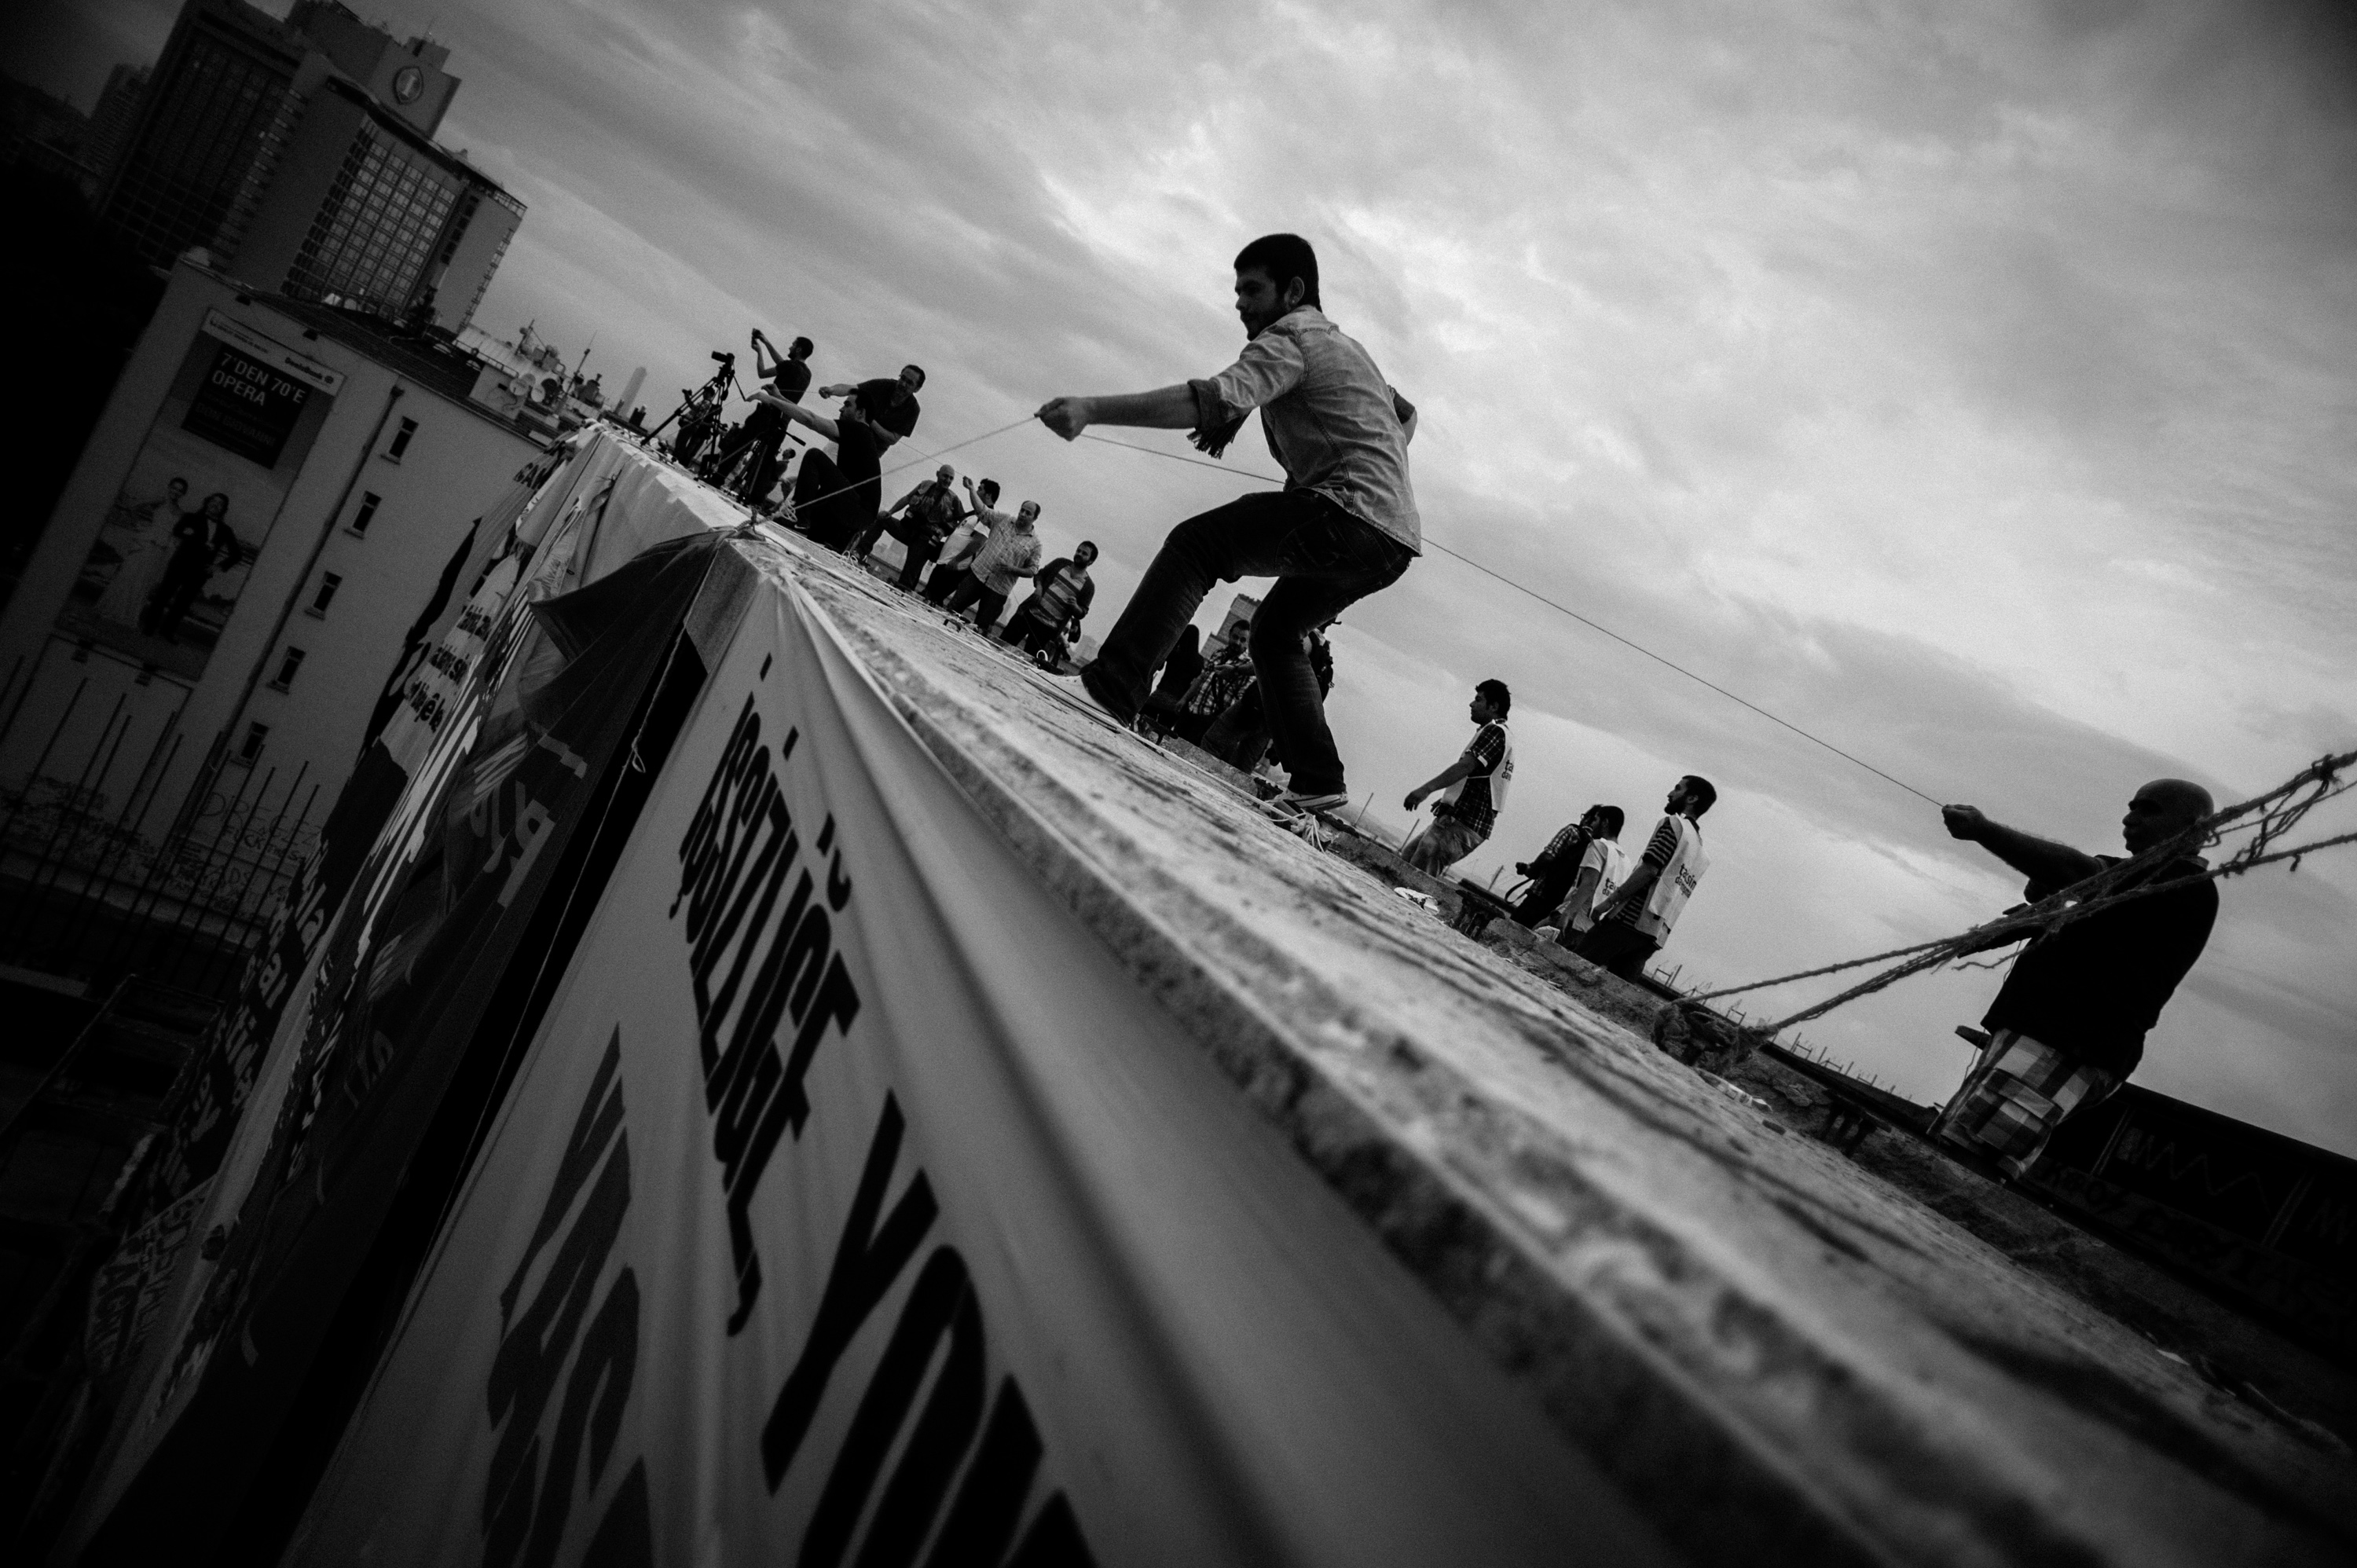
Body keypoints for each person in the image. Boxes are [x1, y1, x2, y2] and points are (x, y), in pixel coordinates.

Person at [1038, 233, 1418, 815]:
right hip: (1391, 542)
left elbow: (1206, 401)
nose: (1239, 302)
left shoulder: (1290, 336)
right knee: (1272, 633)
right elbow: (1404, 414)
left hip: (1348, 515)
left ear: (1292, 290)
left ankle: (1110, 689)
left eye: (1251, 289)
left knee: (1199, 545)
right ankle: (1318, 777)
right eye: (1236, 290)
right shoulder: (1348, 350)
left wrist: (1091, 410)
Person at [1931, 780, 2220, 1180]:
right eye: (2131, 807)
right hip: (2055, 1043)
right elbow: (2069, 888)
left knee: (1964, 1163)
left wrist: (1985, 830)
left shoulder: (2181, 883)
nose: (2129, 818)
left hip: (2062, 1045)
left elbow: (2075, 871)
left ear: (2196, 827)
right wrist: (2033, 912)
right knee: (1958, 1144)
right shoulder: (2142, 879)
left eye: (2148, 809)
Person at [1576, 776, 1714, 980]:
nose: (1670, 794)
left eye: (1677, 789)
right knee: (1617, 990)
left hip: (1629, 921)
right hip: (1653, 934)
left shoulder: (1674, 826)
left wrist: (1609, 903)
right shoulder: (1700, 851)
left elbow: (1649, 870)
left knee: (1576, 966)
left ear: (1692, 798)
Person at [781, 365, 925, 550]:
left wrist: (868, 420)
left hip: (868, 453)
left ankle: (808, 517)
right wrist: (832, 390)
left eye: (909, 382)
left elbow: (892, 438)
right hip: (848, 439)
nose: (903, 384)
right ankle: (795, 512)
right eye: (902, 378)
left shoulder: (912, 410)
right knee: (822, 464)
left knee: (835, 480)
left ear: (916, 389)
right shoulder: (883, 386)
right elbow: (851, 389)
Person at [1402, 680, 1513, 874]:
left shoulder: (1495, 732)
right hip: (1462, 817)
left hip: (1466, 821)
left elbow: (1467, 766)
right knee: (1410, 856)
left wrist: (1426, 789)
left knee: (1422, 862)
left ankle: (1411, 900)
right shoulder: (1500, 734)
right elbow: (1480, 777)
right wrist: (1449, 800)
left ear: (1494, 706)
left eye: (1479, 700)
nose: (1472, 704)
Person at [709, 330, 812, 503]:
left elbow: (767, 371)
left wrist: (763, 346)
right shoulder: (806, 374)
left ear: (799, 350)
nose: (790, 346)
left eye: (793, 345)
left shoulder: (790, 366)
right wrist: (762, 347)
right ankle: (755, 499)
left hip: (766, 413)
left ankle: (718, 478)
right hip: (783, 421)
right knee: (766, 461)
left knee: (739, 445)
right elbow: (773, 368)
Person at [1508, 804, 1626, 930]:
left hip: (1541, 895)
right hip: (1563, 905)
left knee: (1512, 931)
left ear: (1589, 819)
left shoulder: (1575, 834)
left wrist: (1530, 871)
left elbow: (1548, 857)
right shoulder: (1610, 854)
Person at [145, 492, 239, 640]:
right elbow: (178, 532)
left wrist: (217, 567)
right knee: (163, 595)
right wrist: (201, 543)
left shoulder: (226, 530)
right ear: (207, 502)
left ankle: (166, 632)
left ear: (224, 509)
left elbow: (237, 554)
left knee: (182, 604)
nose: (216, 505)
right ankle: (148, 626)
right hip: (180, 564)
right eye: (213, 501)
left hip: (200, 572)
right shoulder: (190, 517)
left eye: (220, 504)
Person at [95, 477, 186, 625]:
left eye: (180, 491)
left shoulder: (181, 513)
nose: (176, 492)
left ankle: (129, 616)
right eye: (174, 488)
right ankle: (111, 610)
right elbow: (134, 506)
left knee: (144, 582)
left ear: (183, 494)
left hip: (161, 548)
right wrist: (137, 523)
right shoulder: (160, 501)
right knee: (129, 575)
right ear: (169, 487)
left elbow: (178, 533)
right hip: (147, 542)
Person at [944, 500, 1043, 633]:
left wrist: (1012, 569)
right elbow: (983, 511)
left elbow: (1033, 570)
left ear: (1035, 518)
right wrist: (971, 489)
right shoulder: (1004, 519)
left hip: (998, 590)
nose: (1023, 514)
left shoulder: (1036, 544)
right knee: (953, 609)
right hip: (978, 575)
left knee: (981, 628)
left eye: (1028, 513)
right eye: (1022, 510)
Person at [870, 463, 969, 588]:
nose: (947, 480)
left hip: (925, 539)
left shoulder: (953, 499)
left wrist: (945, 531)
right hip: (908, 528)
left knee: (907, 578)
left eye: (951, 478)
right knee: (882, 519)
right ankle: (860, 552)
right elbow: (907, 498)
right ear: (938, 474)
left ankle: (902, 588)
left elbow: (964, 521)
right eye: (945, 476)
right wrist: (890, 512)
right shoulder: (926, 485)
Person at [1003, 540, 1098, 660]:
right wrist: (1039, 587)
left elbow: (1082, 612)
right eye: (1078, 551)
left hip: (1047, 628)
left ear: (1091, 561)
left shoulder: (1088, 586)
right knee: (1003, 645)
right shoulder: (1061, 563)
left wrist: (1075, 607)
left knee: (1030, 660)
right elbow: (1040, 575)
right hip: (1028, 613)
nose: (1079, 554)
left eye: (1084, 553)